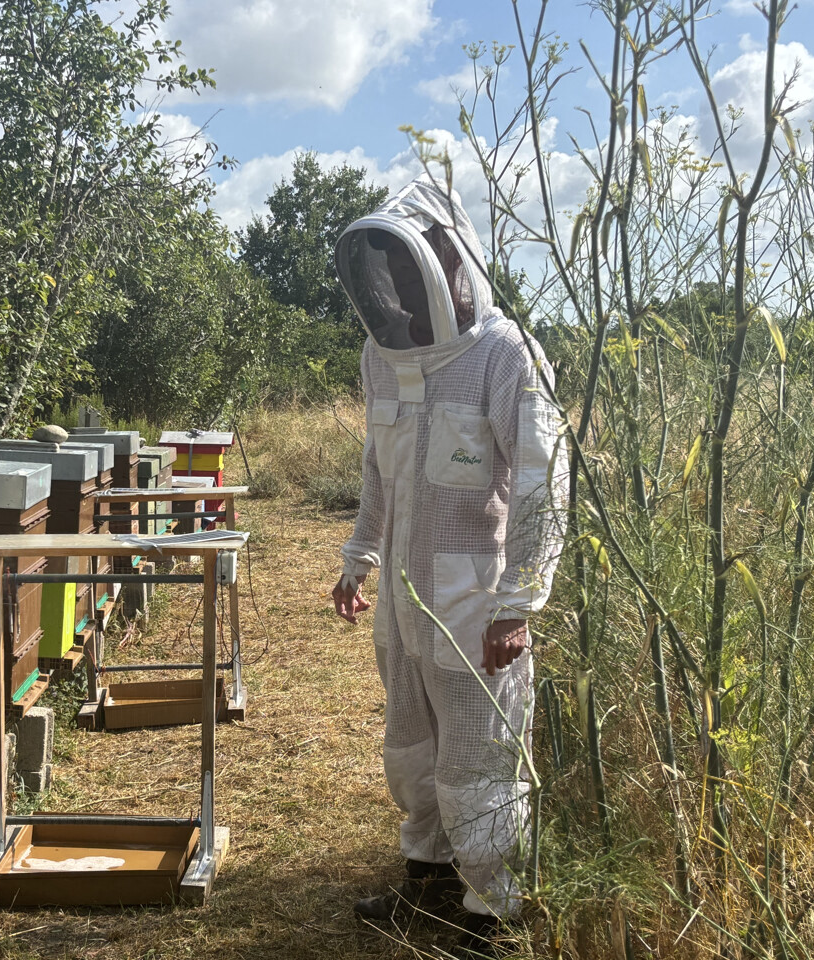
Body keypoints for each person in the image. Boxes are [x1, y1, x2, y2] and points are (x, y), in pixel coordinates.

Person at [330, 177, 567, 949]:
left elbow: (542, 482)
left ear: (453, 261)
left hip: (474, 606)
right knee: (411, 744)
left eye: (414, 267)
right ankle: (425, 882)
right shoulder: (382, 357)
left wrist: (519, 601)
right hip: (402, 602)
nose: (400, 287)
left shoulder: (505, 356)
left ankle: (493, 913)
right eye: (390, 273)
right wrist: (358, 557)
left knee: (478, 756)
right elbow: (378, 471)